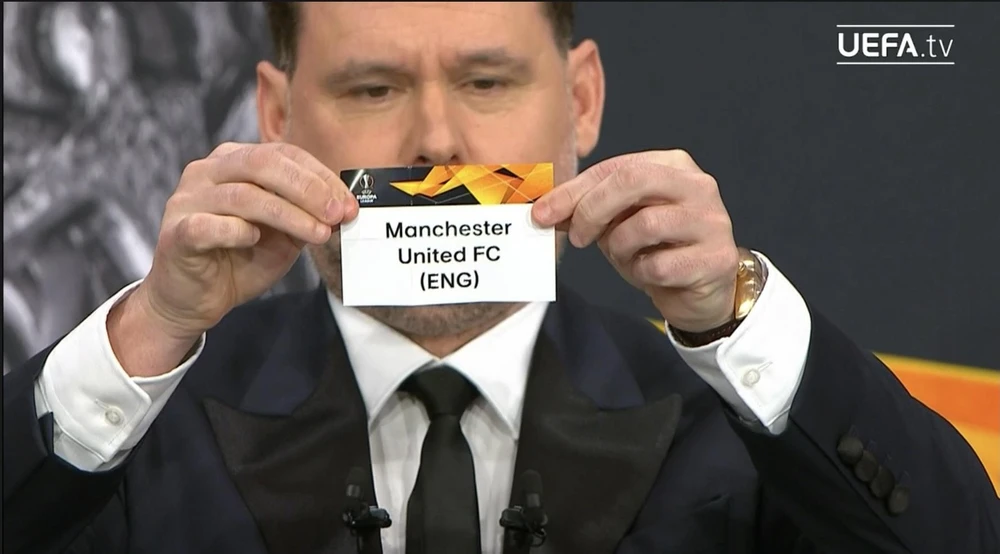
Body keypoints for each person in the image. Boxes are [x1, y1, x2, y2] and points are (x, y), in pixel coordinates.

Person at [3, 2, 997, 553]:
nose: (436, 139)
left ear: (582, 100)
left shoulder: (731, 428)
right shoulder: (144, 428)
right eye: (372, 88)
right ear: (276, 115)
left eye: (486, 82)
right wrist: (153, 325)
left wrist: (736, 317)